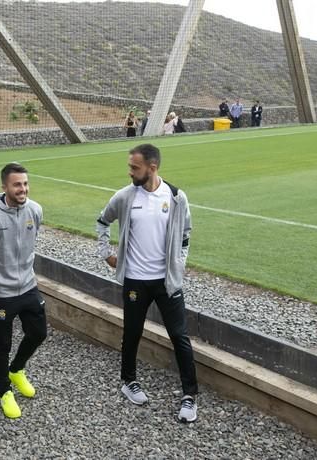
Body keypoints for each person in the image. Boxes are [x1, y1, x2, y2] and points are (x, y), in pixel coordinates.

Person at [95, 143, 198, 423]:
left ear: (152, 167)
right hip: (135, 280)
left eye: (134, 167)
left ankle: (190, 396)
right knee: (132, 331)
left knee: (179, 336)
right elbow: (102, 222)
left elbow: (186, 234)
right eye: (130, 166)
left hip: (165, 282)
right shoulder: (125, 197)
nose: (130, 172)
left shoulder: (176, 197)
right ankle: (128, 381)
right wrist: (107, 254)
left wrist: (179, 262)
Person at [0, 163, 46, 419]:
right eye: (17, 184)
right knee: (2, 344)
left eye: (25, 183)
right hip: (0, 293)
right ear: (4, 187)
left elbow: (33, 238)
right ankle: (4, 390)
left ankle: (17, 369)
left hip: (28, 286)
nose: (23, 189)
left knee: (38, 333)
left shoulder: (35, 210)